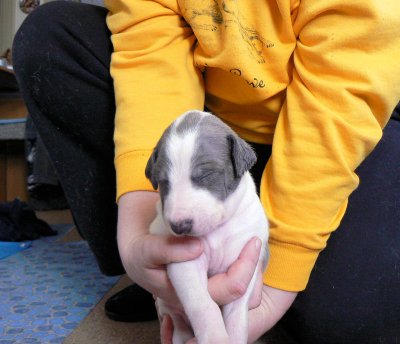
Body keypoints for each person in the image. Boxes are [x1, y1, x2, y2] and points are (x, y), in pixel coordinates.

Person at [12, 1, 400, 343]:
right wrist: (140, 237)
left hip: (341, 122)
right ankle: (164, 280)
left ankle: (231, 277)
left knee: (352, 319)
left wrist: (276, 284)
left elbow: (340, 98)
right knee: (51, 37)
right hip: (204, 130)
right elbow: (152, 58)